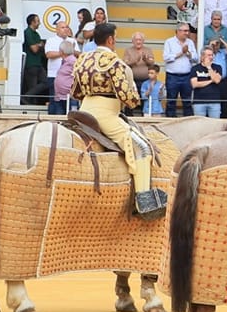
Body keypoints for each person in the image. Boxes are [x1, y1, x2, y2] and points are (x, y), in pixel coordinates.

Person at [71, 22, 166, 216]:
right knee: (143, 148)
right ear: (111, 39)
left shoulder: (82, 59)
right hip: (105, 115)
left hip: (83, 110)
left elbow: (75, 92)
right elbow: (130, 99)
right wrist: (134, 99)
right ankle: (144, 202)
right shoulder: (115, 63)